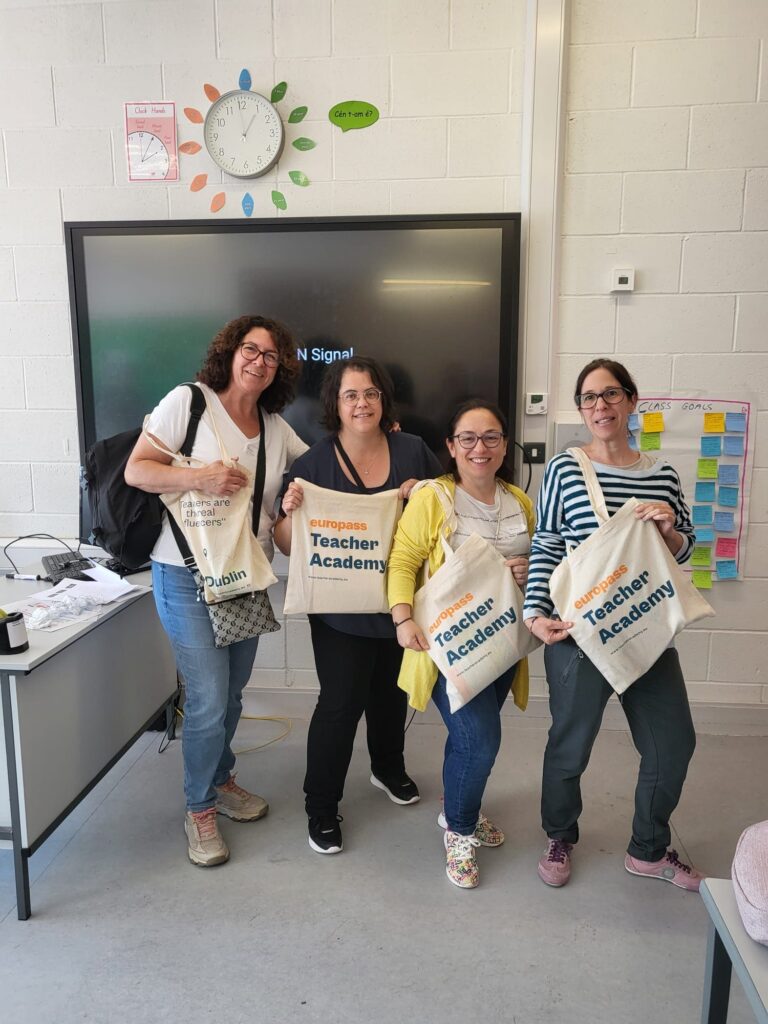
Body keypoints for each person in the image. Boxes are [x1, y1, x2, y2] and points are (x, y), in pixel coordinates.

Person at [125, 315, 307, 868]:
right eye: (251, 349)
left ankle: (221, 779)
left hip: (244, 577)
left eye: (271, 356)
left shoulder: (276, 429)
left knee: (230, 694)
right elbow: (137, 470)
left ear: (280, 369)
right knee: (206, 697)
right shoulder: (189, 402)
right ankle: (199, 807)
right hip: (184, 573)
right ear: (230, 352)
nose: (259, 362)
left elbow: (322, 470)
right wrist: (198, 477)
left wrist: (388, 448)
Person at [523, 358, 704, 891]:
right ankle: (560, 835)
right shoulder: (565, 468)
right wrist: (535, 613)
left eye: (610, 394)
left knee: (674, 742)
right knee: (570, 745)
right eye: (588, 398)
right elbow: (547, 543)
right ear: (581, 409)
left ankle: (648, 849)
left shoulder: (663, 474)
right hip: (579, 635)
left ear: (631, 400)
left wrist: (670, 531)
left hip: (646, 632)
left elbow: (684, 548)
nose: (599, 406)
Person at [274, 356, 443, 855]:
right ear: (336, 403)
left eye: (370, 393)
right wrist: (290, 515)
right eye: (351, 395)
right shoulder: (312, 465)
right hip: (340, 613)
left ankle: (387, 768)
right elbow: (287, 544)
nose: (362, 403)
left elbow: (445, 511)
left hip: (401, 605)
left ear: (383, 400)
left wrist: (424, 492)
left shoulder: (412, 451)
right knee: (340, 705)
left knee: (391, 695)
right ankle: (321, 806)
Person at [387, 400, 535, 889]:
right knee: (481, 739)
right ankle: (461, 829)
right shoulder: (434, 497)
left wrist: (529, 570)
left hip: (502, 644)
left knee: (467, 739)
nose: (479, 448)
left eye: (491, 437)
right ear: (450, 447)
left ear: (504, 445)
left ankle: (455, 806)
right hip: (446, 647)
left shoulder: (520, 501)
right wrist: (402, 618)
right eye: (467, 438)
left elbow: (543, 563)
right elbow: (403, 560)